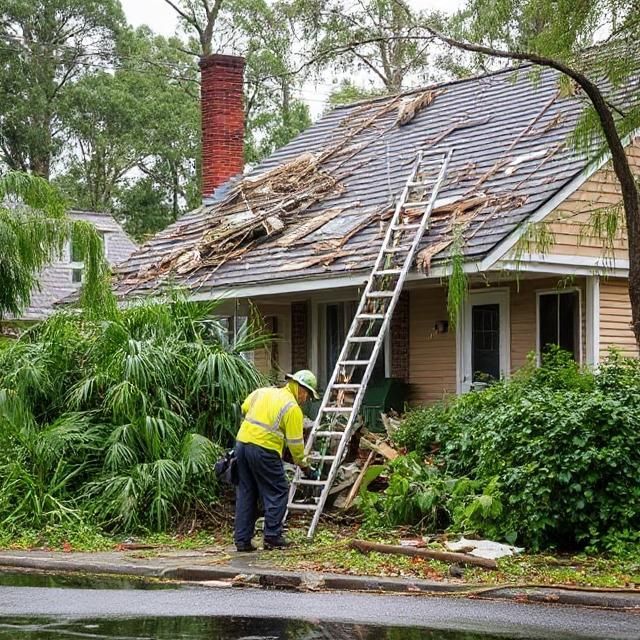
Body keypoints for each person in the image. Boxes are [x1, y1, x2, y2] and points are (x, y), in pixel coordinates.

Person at [234, 369, 319, 552]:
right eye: (307, 395)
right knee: (278, 490)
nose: (306, 399)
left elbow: (244, 407)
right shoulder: (292, 408)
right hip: (264, 449)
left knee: (247, 492)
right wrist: (305, 467)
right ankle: (272, 536)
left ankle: (242, 540)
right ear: (300, 389)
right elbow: (296, 446)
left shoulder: (263, 392)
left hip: (241, 444)